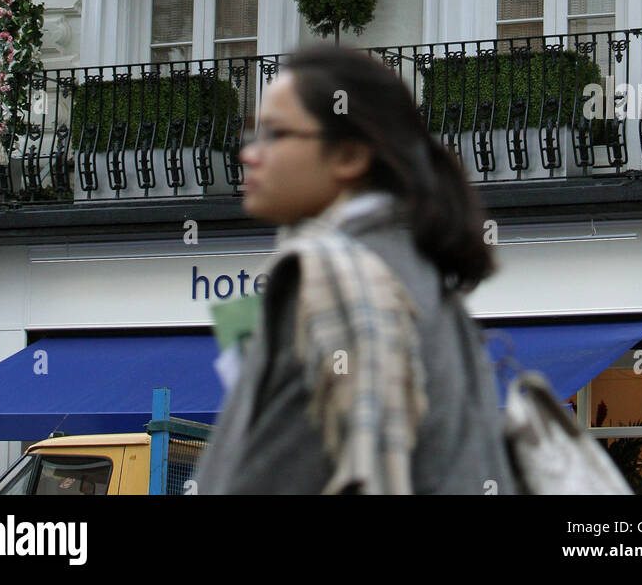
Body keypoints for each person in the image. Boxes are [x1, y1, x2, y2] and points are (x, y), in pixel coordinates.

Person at [196, 44, 516, 496]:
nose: (249, 153)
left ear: (349, 156)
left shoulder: (324, 279)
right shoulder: (425, 279)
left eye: (273, 134)